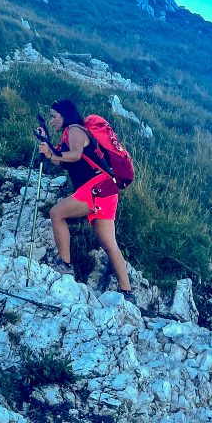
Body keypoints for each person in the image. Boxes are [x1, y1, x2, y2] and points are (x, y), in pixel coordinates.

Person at [38, 99, 136, 304]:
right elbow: (59, 160)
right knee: (109, 244)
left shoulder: (74, 130)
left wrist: (53, 152)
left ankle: (64, 265)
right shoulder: (67, 136)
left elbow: (74, 156)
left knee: (56, 213)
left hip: (95, 187)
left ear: (65, 115)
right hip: (107, 190)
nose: (52, 120)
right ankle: (127, 292)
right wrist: (47, 148)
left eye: (54, 116)